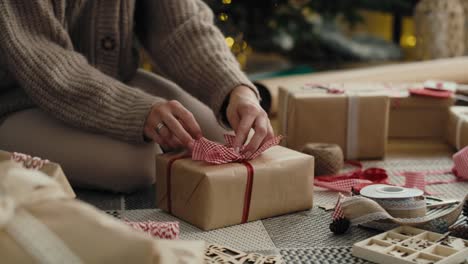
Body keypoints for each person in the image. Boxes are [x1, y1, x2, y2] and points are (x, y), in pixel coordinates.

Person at [0, 0, 274, 192]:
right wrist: (138, 111)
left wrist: (235, 90)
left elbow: (180, 25)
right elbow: (41, 59)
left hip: (115, 78)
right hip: (18, 98)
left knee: (223, 134)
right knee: (139, 164)